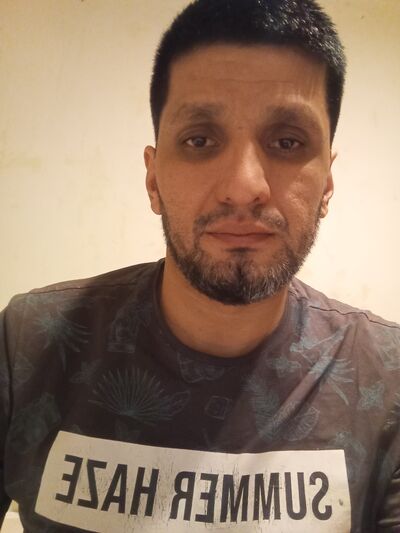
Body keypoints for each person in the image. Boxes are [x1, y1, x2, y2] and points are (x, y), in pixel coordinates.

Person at [1, 0, 399, 531]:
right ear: (153, 179)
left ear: (326, 183)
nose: (244, 187)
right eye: (199, 140)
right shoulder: (27, 342)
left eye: (287, 142)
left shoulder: (387, 379)